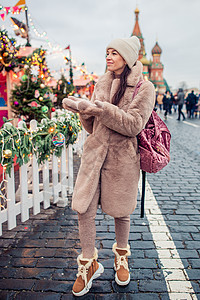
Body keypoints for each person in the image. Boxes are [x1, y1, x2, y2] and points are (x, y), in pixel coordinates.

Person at [62, 36, 155, 297]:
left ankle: (121, 256)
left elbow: (134, 124)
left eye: (115, 52)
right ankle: (88, 262)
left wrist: (102, 110)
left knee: (120, 211)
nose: (109, 56)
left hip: (122, 158)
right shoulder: (101, 82)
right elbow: (92, 127)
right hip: (94, 154)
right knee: (83, 208)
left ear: (127, 57)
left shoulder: (144, 87)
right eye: (107, 52)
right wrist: (84, 110)